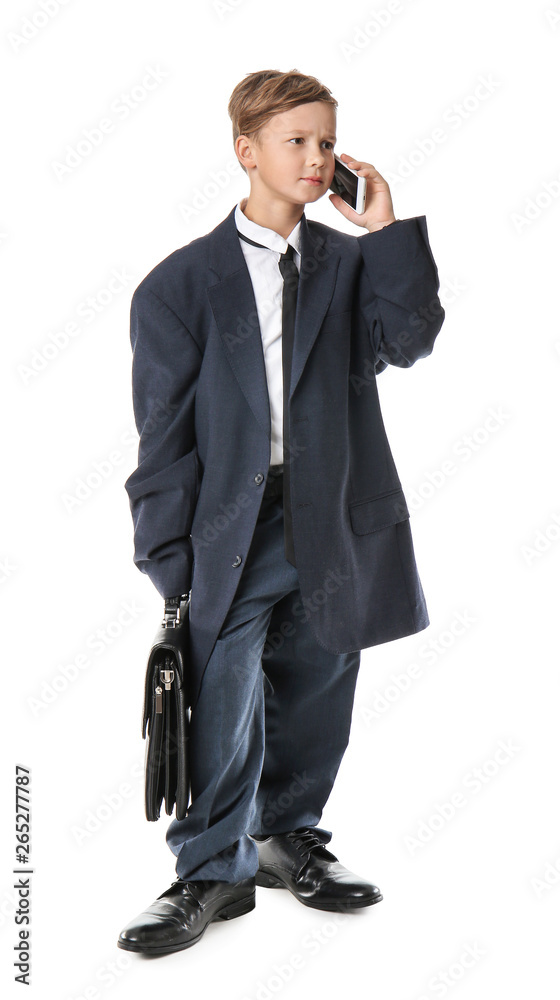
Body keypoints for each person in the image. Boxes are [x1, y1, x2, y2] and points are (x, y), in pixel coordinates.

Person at [118, 67, 445, 955]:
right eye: (295, 140)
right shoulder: (179, 287)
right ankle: (209, 872)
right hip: (231, 526)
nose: (314, 158)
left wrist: (382, 232)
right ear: (245, 150)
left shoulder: (346, 266)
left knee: (319, 680)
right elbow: (164, 438)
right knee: (220, 697)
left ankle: (288, 834)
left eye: (326, 141)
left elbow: (410, 340)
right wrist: (169, 564)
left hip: (334, 514)